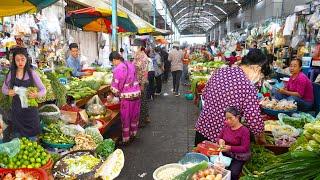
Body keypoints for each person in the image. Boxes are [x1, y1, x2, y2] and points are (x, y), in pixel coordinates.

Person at [195, 49, 269, 146]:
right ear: (257, 69)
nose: (258, 80)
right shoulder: (247, 86)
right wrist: (262, 140)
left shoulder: (220, 71)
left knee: (200, 160)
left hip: (202, 130)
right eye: (261, 76)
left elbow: (204, 95)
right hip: (222, 140)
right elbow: (254, 120)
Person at [2, 48, 46, 140]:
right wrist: (9, 92)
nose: (20, 62)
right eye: (17, 60)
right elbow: (4, 89)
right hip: (17, 112)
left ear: (26, 60)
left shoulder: (32, 73)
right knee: (18, 140)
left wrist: (36, 94)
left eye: (23, 59)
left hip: (30, 113)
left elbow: (43, 90)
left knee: (32, 141)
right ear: (14, 61)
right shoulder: (11, 74)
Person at [109, 52, 141, 144]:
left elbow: (116, 85)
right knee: (134, 116)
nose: (113, 64)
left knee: (126, 117)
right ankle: (133, 134)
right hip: (136, 94)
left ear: (114, 60)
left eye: (112, 62)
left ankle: (126, 139)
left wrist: (112, 95)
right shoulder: (129, 64)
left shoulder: (118, 68)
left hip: (127, 97)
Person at [217, 106, 251, 180]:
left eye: (230, 118)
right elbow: (219, 137)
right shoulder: (226, 126)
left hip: (238, 156)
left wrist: (230, 148)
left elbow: (245, 148)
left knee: (233, 173)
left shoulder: (244, 130)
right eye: (226, 119)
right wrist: (220, 141)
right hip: (225, 153)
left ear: (237, 117)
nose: (228, 121)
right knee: (218, 169)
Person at [133, 47, 150, 127]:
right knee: (144, 100)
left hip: (141, 82)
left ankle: (142, 122)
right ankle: (146, 117)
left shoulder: (143, 57)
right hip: (139, 82)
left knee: (142, 102)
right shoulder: (138, 55)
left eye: (135, 47)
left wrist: (142, 84)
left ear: (140, 47)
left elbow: (145, 71)